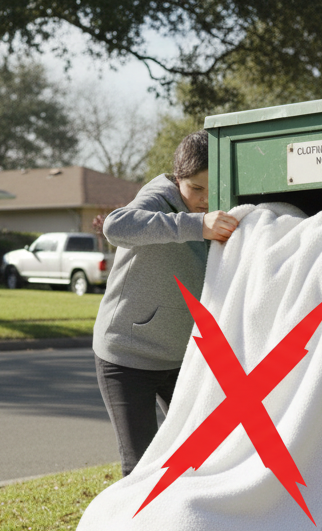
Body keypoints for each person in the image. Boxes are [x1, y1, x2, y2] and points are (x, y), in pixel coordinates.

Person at [93, 129, 239, 476]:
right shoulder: (159, 196)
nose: (204, 199)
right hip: (126, 356)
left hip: (180, 360)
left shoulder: (224, 207)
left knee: (200, 456)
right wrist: (196, 225)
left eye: (211, 188)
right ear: (177, 179)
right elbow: (115, 227)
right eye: (195, 188)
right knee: (140, 467)